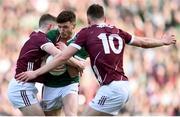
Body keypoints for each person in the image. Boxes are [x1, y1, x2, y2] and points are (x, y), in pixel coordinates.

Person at [16, 4, 176, 116]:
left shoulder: (86, 33)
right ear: (104, 18)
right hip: (125, 87)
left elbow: (64, 58)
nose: (62, 30)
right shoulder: (117, 30)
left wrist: (36, 72)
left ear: (87, 20)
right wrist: (162, 41)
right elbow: (142, 42)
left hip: (111, 88)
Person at [7, 13, 84, 116]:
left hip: (26, 87)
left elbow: (68, 68)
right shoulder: (41, 39)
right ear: (50, 27)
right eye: (57, 28)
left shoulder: (35, 36)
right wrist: (79, 64)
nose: (59, 31)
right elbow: (60, 55)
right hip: (21, 88)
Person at [41, 10, 88, 116]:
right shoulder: (52, 35)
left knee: (71, 114)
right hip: (50, 84)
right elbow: (42, 60)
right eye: (59, 27)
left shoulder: (81, 43)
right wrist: (49, 65)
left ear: (73, 25)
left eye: (65, 27)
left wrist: (64, 53)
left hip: (69, 84)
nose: (62, 30)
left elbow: (74, 73)